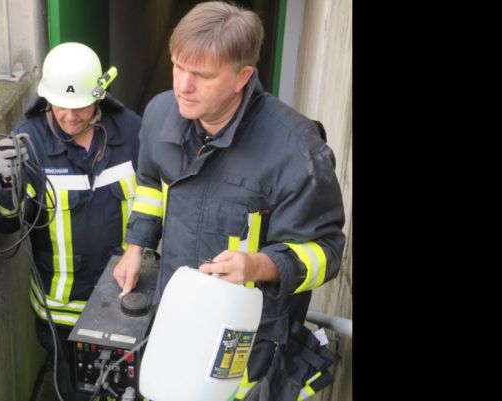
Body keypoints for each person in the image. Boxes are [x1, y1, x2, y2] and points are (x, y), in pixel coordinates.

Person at [112, 2, 346, 400]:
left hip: (248, 341)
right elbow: (151, 184)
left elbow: (326, 253)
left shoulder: (297, 151)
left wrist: (262, 264)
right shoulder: (159, 113)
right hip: (176, 314)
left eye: (202, 75)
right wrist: (135, 247)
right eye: (177, 67)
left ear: (242, 77)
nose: (183, 86)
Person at [0, 42, 142, 399]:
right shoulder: (29, 143)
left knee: (125, 389)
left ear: (99, 96)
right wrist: (6, 185)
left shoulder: (133, 132)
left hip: (122, 302)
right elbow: (11, 225)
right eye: (61, 106)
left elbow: (157, 199)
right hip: (60, 313)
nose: (70, 117)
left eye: (80, 107)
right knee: (71, 390)